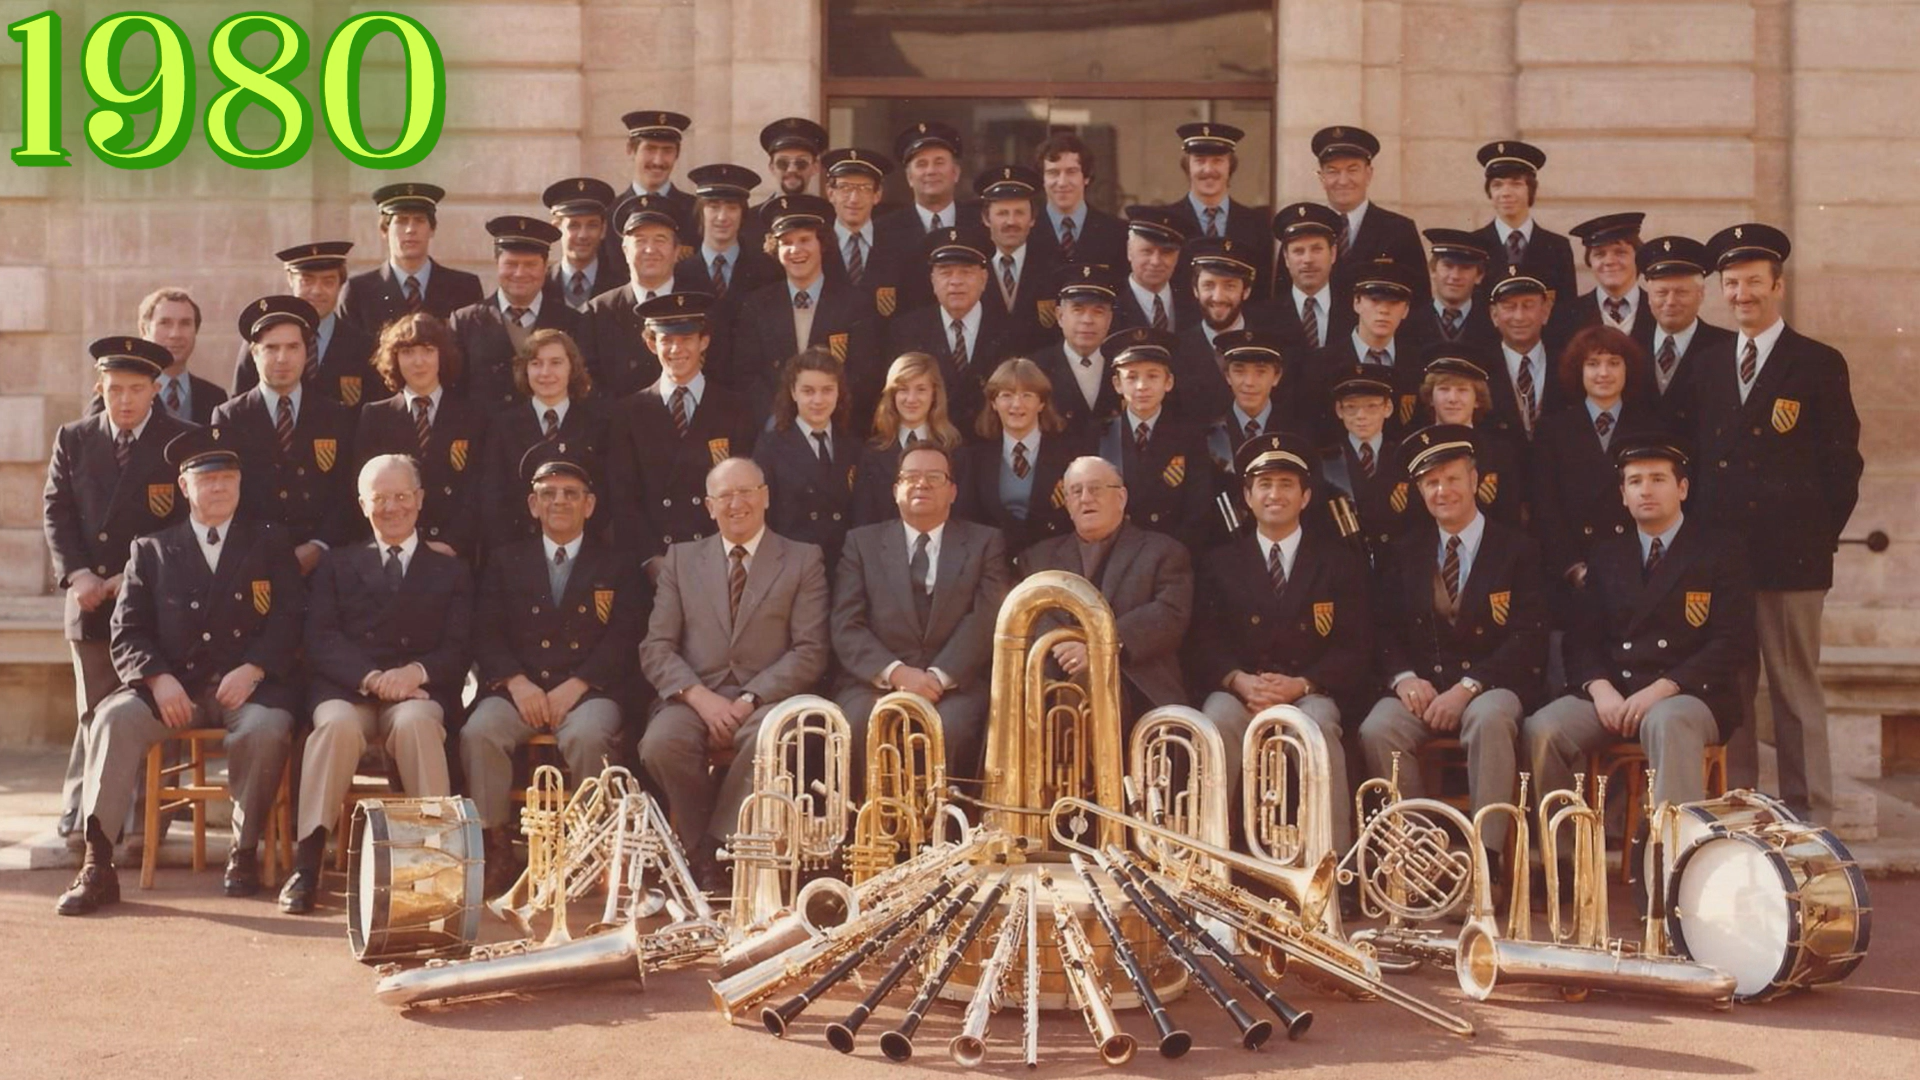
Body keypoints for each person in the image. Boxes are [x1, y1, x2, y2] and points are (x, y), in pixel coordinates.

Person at [57, 427, 301, 915]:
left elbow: (291, 620)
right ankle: (98, 863)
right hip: (174, 688)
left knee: (268, 726)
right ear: (184, 486)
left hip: (245, 689)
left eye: (228, 478)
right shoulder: (151, 549)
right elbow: (127, 632)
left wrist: (254, 667)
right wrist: (156, 677)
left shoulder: (270, 543)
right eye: (207, 479)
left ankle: (243, 850)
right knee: (112, 719)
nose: (219, 488)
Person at [1693, 223, 1863, 820]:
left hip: (1791, 563)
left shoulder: (1816, 363)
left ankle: (1810, 816)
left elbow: (1843, 467)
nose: (1743, 294)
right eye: (1732, 283)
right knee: (1731, 694)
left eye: (1754, 283)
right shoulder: (1708, 365)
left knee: (1794, 692)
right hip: (1725, 566)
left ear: (1778, 287)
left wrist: (1809, 539)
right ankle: (1738, 811)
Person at [280, 454, 472, 914]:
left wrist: (415, 674)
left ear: (420, 500)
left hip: (417, 691)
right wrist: (370, 677)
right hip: (349, 688)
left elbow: (460, 645)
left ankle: (437, 863)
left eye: (402, 496)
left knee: (418, 726)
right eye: (380, 498)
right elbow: (320, 638)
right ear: (362, 504)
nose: (392, 508)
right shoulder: (337, 565)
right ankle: (308, 862)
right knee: (335, 727)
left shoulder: (450, 569)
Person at [1523, 437, 1754, 807]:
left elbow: (1732, 642)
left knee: (1667, 722)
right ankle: (1564, 858)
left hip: (1691, 695)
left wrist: (1662, 689)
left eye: (1658, 479)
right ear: (1623, 495)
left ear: (1682, 488)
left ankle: (1672, 855)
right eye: (1635, 481)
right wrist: (1601, 690)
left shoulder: (1720, 551)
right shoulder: (1607, 554)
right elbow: (1582, 639)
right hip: (1617, 694)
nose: (1646, 490)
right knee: (1543, 729)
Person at [637, 457, 830, 888]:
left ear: (765, 496)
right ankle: (705, 843)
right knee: (659, 744)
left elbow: (810, 650)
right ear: (709, 506)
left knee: (767, 741)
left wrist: (750, 699)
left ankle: (710, 848)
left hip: (768, 698)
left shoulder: (802, 559)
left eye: (746, 492)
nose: (736, 503)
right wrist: (700, 699)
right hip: (695, 695)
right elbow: (657, 647)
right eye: (725, 495)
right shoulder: (681, 560)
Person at [462, 445, 645, 894]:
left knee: (588, 736)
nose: (559, 501)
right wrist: (516, 681)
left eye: (570, 493)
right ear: (533, 504)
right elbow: (485, 631)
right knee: (479, 731)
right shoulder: (505, 560)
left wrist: (579, 684)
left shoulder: (618, 563)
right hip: (518, 689)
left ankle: (590, 850)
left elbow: (626, 636)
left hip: (590, 691)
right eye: (548, 493)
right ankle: (497, 845)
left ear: (590, 504)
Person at [1359, 425, 1547, 857]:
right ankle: (1423, 854)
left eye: (1452, 479)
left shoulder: (1518, 549)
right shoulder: (1404, 551)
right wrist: (1404, 678)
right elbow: (1383, 628)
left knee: (1490, 720)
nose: (1443, 491)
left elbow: (1528, 636)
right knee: (1378, 729)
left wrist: (1467, 689)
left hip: (1492, 686)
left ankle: (1489, 858)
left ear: (1475, 480)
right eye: (1431, 483)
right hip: (1424, 687)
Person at [44, 338, 194, 842]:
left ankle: (148, 821)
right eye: (114, 390)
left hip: (155, 599)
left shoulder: (182, 440)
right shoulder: (75, 437)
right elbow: (57, 512)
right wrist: (78, 574)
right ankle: (84, 818)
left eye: (136, 389)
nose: (125, 400)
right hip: (90, 600)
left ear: (157, 389)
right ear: (99, 388)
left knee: (151, 709)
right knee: (95, 713)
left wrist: (129, 574)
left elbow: (183, 523)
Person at [1191, 433, 1370, 851]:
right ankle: (1213, 863)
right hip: (1239, 692)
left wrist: (1302, 685)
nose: (1276, 495)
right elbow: (1202, 639)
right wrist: (1237, 680)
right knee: (1214, 724)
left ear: (1306, 496)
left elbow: (1356, 645)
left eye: (1287, 485)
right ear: (1248, 497)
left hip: (1309, 689)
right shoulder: (1218, 563)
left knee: (1319, 727)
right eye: (1265, 485)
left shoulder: (1339, 562)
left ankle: (1333, 865)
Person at [831, 444, 1011, 786]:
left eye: (934, 477)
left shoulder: (985, 542)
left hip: (955, 686)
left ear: (953, 491)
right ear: (895, 490)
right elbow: (845, 625)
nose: (922, 484)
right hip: (875, 682)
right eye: (911, 477)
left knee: (951, 729)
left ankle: (945, 831)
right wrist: (897, 674)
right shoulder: (861, 544)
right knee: (861, 722)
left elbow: (988, 617)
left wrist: (938, 678)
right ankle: (868, 830)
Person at [1018, 456, 1193, 724]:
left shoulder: (1164, 551)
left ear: (1121, 498)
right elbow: (1030, 615)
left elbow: (1169, 614)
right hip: (1054, 676)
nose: (1085, 498)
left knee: (1086, 685)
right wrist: (1064, 643)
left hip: (1137, 682)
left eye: (1096, 489)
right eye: (1076, 491)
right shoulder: (1038, 558)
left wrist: (1100, 648)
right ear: (1067, 504)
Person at [607, 293, 758, 574]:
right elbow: (624, 499)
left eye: (686, 338)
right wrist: (651, 560)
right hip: (656, 565)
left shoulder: (735, 408)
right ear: (651, 344)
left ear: (704, 341)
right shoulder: (629, 412)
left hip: (718, 563)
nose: (677, 350)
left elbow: (744, 494)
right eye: (667, 340)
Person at [210, 295, 360, 575]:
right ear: (254, 354)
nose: (282, 358)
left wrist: (318, 546)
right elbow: (229, 498)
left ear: (307, 351)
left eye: (293, 347)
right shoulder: (230, 417)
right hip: (256, 564)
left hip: (325, 563)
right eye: (271, 348)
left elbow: (346, 492)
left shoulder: (336, 415)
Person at [1528, 325, 1662, 592]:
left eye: (1613, 363)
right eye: (1593, 364)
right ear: (1579, 370)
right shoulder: (1552, 430)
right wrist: (1573, 566)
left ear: (1628, 369)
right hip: (1574, 574)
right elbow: (1545, 507)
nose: (1603, 373)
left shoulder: (1651, 429)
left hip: (1636, 572)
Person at [353, 312, 484, 559]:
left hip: (454, 552)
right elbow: (364, 489)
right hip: (395, 551)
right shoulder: (376, 416)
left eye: (427, 350)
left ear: (442, 355)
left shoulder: (473, 416)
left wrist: (452, 543)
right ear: (395, 359)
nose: (418, 362)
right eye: (407, 352)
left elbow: (478, 489)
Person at [732, 194, 871, 421]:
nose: (796, 250)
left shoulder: (855, 304)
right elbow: (746, 377)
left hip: (836, 426)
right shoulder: (757, 306)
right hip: (774, 428)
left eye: (805, 240)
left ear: (822, 244)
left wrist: (821, 416)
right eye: (786, 242)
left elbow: (863, 376)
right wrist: (782, 418)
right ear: (775, 249)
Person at [479, 329, 613, 552]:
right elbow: (493, 497)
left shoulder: (597, 424)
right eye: (536, 363)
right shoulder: (502, 426)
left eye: (556, 363)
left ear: (572, 368)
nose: (545, 372)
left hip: (583, 551)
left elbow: (606, 496)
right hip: (518, 550)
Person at [884, 228, 1013, 435]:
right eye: (945, 272)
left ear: (984, 278)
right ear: (933, 280)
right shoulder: (905, 331)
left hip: (990, 450)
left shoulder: (1011, 331)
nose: (955, 281)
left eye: (966, 271)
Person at [1094, 327, 1213, 550]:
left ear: (1168, 382)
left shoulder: (1189, 437)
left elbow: (1198, 510)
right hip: (1112, 550)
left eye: (1152, 375)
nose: (1142, 386)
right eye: (1131, 377)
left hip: (1171, 551)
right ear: (1117, 384)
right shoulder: (1100, 436)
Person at [449, 215, 580, 414]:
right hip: (485, 439)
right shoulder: (465, 321)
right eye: (511, 264)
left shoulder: (572, 321)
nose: (519, 273)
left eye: (530, 264)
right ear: (497, 264)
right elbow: (455, 392)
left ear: (545, 268)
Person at [956, 358, 1080, 555]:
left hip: (1053, 562)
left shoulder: (1069, 456)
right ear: (993, 403)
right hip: (993, 566)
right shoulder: (975, 459)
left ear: (1041, 403)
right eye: (1007, 395)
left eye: (1027, 395)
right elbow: (968, 521)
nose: (1017, 404)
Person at [232, 243, 380, 407]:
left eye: (328, 282)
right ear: (290, 280)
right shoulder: (263, 339)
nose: (317, 291)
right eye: (307, 281)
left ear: (341, 285)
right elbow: (241, 404)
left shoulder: (363, 346)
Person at [581, 193, 696, 400]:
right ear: (625, 250)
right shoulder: (597, 312)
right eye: (640, 241)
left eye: (660, 240)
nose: (650, 250)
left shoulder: (699, 306)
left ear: (676, 249)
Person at [754, 348, 860, 569]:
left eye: (827, 390)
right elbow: (765, 516)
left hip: (845, 566)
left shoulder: (853, 445)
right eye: (808, 391)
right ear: (793, 392)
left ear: (839, 391)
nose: (818, 400)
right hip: (794, 567)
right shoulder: (771, 447)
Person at [336, 183, 484, 335]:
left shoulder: (464, 288)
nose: (410, 230)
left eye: (419, 220)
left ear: (432, 229)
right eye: (402, 221)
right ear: (384, 230)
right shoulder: (358, 292)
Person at [1306, 257, 1420, 444]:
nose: (1383, 310)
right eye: (1375, 300)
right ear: (1356, 303)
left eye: (1394, 302)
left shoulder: (1416, 363)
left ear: (1406, 310)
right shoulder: (1321, 364)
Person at [1313, 125, 1429, 305]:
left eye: (1353, 170)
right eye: (1333, 171)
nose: (1343, 181)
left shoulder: (1399, 230)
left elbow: (1420, 303)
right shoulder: (1306, 231)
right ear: (1321, 178)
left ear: (1368, 174)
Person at [1414, 346, 1527, 527]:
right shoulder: (1414, 451)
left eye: (1462, 390)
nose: (1452, 398)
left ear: (1478, 400)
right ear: (1430, 397)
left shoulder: (1500, 453)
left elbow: (1509, 522)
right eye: (1444, 389)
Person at [851, 352, 966, 526]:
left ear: (934, 394)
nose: (911, 399)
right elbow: (864, 520)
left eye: (921, 389)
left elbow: (964, 517)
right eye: (903, 389)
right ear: (892, 395)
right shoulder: (873, 452)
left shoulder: (955, 449)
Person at [1321, 363, 1419, 565]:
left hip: (1398, 570)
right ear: (1339, 410)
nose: (1361, 416)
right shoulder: (1325, 463)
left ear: (1388, 408)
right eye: (1351, 407)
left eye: (1372, 406)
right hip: (1344, 569)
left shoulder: (1407, 458)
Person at [1165, 122, 1273, 302]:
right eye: (1199, 160)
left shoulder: (1257, 224)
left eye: (1217, 160)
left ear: (1230, 166)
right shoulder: (1168, 221)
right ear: (1187, 166)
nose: (1208, 170)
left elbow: (1262, 292)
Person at [1638, 235, 1732, 435]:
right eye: (1661, 293)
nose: (1670, 302)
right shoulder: (1628, 345)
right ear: (1648, 297)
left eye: (1681, 292)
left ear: (1701, 294)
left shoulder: (1728, 348)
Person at [88, 289, 226, 425]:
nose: (175, 334)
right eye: (165, 323)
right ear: (144, 329)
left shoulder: (215, 397)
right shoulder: (113, 395)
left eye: (185, 323)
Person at [1466, 140, 1578, 307]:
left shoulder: (1557, 247)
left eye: (1516, 184)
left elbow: (1567, 310)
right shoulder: (1473, 245)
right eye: (1497, 185)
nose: (1505, 193)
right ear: (1489, 191)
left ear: (1531, 189)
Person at [1175, 236, 1272, 425]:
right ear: (1195, 289)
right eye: (1208, 285)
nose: (1218, 297)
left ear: (1246, 291)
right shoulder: (1176, 351)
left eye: (1229, 286)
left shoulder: (1271, 347)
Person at [1032, 263, 1125, 439]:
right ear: (1059, 316)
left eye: (1098, 311)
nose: (1087, 320)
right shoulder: (1036, 368)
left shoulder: (1125, 366)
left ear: (1110, 319)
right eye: (1077, 310)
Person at [676, 163, 782, 317]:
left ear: (743, 214)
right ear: (701, 212)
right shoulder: (679, 273)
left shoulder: (767, 271)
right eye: (713, 207)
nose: (722, 217)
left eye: (732, 208)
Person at [974, 165, 1059, 351]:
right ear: (986, 219)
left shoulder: (1053, 267)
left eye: (1019, 213)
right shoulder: (971, 268)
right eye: (1002, 213)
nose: (1011, 222)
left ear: (1032, 219)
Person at [820, 147, 909, 322]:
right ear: (831, 193)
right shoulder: (816, 246)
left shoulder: (899, 248)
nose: (854, 198)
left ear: (877, 195)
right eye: (845, 187)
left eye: (864, 188)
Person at [1486, 263, 1571, 444]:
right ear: (1494, 315)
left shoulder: (1568, 365)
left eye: (1528, 305)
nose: (1519, 316)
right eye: (1509, 307)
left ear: (1545, 311)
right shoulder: (1482, 369)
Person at [1028, 133, 1128, 270]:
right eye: (1053, 173)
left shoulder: (1118, 233)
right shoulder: (1025, 231)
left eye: (1071, 172)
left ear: (1086, 177)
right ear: (1042, 180)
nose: (1062, 182)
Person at [1269, 202, 1354, 353]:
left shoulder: (1355, 313)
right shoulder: (1265, 318)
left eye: (1316, 249)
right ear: (1286, 258)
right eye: (1298, 251)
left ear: (1333, 253)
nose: (1308, 259)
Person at [1404, 228, 1500, 355]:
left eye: (1465, 268)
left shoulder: (1492, 326)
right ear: (1433, 270)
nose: (1455, 276)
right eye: (1448, 266)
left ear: (1479, 276)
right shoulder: (1408, 324)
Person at [1566, 212, 1654, 346]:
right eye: (1600, 254)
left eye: (1620, 252)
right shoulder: (1567, 315)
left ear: (1638, 257)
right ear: (1589, 261)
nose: (1609, 261)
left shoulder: (1659, 310)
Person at [544, 176, 627, 310]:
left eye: (592, 225)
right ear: (557, 228)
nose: (583, 235)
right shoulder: (540, 285)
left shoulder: (620, 286)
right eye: (574, 225)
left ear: (603, 229)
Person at [1111, 206, 1196, 334]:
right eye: (1147, 251)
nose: (1155, 261)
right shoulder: (1111, 304)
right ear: (1129, 251)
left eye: (1166, 252)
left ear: (1177, 256)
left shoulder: (1192, 303)